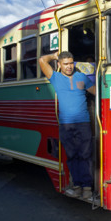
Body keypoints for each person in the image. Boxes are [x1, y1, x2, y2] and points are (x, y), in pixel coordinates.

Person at [39, 51, 96, 199]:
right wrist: (54, 55)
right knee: (72, 156)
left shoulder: (81, 77)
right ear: (59, 65)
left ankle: (87, 187)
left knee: (85, 155)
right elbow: (42, 60)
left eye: (71, 63)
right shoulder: (55, 78)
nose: (69, 66)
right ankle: (77, 185)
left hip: (83, 123)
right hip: (66, 125)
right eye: (65, 64)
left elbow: (95, 91)